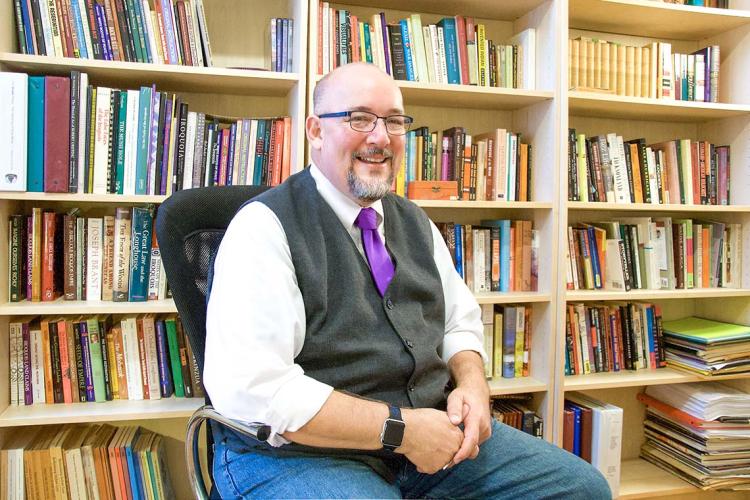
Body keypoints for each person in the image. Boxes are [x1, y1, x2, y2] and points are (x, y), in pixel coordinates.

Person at [203, 62, 611, 499]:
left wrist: (472, 385)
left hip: (424, 435)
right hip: (296, 454)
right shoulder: (263, 229)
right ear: (316, 131)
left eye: (394, 122)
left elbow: (459, 322)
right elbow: (257, 390)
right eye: (359, 119)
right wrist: (401, 430)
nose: (380, 138)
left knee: (582, 490)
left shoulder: (415, 221)